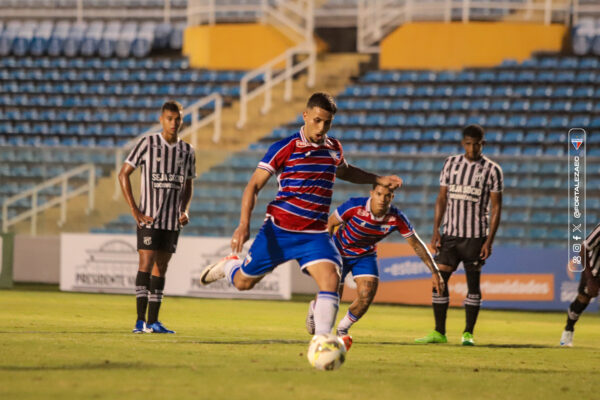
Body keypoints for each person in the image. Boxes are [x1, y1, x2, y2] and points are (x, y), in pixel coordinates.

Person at [199, 92, 402, 339]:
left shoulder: (333, 148)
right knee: (244, 282)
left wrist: (377, 179)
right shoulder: (285, 148)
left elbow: (346, 171)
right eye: (317, 120)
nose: (321, 127)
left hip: (314, 234)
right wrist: (243, 225)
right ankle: (229, 265)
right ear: (305, 116)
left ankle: (323, 341)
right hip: (279, 230)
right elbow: (253, 186)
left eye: (327, 122)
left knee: (331, 278)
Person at [305, 183, 444, 349]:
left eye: (387, 196)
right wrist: (325, 252)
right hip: (339, 251)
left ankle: (342, 329)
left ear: (392, 198)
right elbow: (330, 223)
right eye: (379, 194)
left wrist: (434, 271)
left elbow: (416, 244)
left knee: (367, 293)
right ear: (372, 193)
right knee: (335, 296)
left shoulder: (396, 217)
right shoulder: (354, 206)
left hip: (365, 255)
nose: (382, 199)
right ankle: (315, 307)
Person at [415, 124, 503, 346]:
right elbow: (442, 198)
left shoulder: (493, 170)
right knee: (439, 281)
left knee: (473, 285)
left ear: (483, 144)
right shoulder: (451, 163)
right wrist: (436, 230)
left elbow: (496, 208)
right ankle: (439, 332)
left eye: (477, 144)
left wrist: (489, 241)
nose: (472, 149)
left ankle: (468, 333)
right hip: (450, 236)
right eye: (468, 144)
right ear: (463, 143)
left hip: (475, 238)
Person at [118, 100, 196, 334]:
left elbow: (188, 184)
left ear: (182, 120)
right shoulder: (147, 143)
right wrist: (135, 210)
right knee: (146, 263)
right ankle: (140, 321)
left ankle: (154, 321)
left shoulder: (187, 151)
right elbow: (124, 174)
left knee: (161, 267)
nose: (174, 123)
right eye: (170, 118)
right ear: (161, 119)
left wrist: (184, 209)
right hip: (149, 218)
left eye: (178, 118)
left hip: (171, 222)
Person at [560, 222, 600, 347]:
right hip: (595, 270)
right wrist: (590, 279)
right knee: (583, 299)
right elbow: (584, 248)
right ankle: (568, 329)